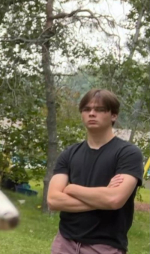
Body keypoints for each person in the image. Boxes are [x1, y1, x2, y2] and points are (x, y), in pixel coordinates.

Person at [47, 89, 144, 254]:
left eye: (100, 109)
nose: (92, 113)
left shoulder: (128, 154)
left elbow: (114, 199)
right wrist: (103, 197)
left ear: (114, 115)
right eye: (86, 109)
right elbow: (53, 201)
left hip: (105, 247)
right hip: (64, 244)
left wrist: (71, 189)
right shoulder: (69, 153)